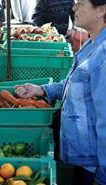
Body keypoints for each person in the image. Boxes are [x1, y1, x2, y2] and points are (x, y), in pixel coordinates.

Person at [15, 0, 106, 184]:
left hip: (95, 165)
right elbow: (78, 84)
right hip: (83, 156)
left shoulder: (103, 55)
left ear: (101, 10)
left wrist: (102, 176)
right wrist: (41, 90)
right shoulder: (92, 42)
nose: (73, 8)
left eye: (80, 4)